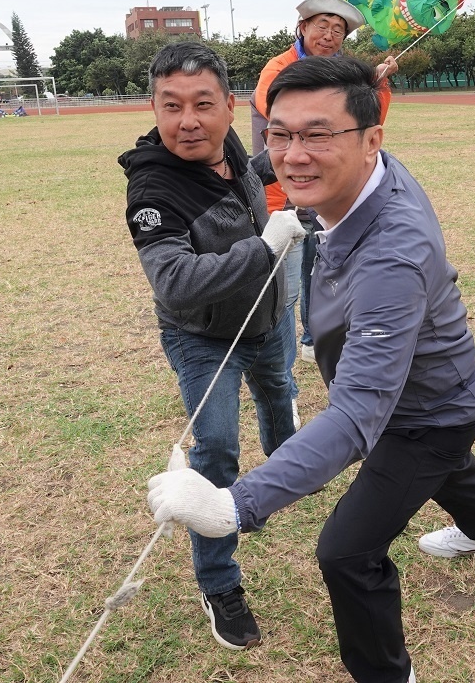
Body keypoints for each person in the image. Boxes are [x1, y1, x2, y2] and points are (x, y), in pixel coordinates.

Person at [148, 56, 475, 683]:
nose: (293, 155)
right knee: (448, 464)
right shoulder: (366, 182)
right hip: (440, 392)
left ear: (372, 139)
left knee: (346, 550)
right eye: (281, 134)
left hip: (424, 412)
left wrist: (235, 505)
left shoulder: (393, 256)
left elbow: (357, 414)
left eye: (318, 134)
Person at [119, 42, 304, 651]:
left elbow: (248, 173)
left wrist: (284, 165)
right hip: (203, 339)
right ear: (153, 108)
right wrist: (265, 246)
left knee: (280, 393)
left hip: (269, 318)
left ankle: (287, 474)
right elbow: (173, 278)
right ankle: (220, 583)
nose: (187, 120)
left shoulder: (226, 149)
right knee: (217, 451)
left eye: (203, 104)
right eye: (171, 106)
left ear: (230, 105)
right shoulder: (152, 190)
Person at [249, 0, 399, 408]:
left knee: (326, 264)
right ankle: (277, 356)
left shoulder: (346, 75)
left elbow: (370, 119)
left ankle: (314, 338)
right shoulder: (279, 68)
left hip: (329, 190)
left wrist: (375, 83)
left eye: (338, 30)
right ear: (302, 28)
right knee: (287, 275)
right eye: (322, 26)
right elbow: (279, 110)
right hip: (281, 193)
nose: (330, 35)